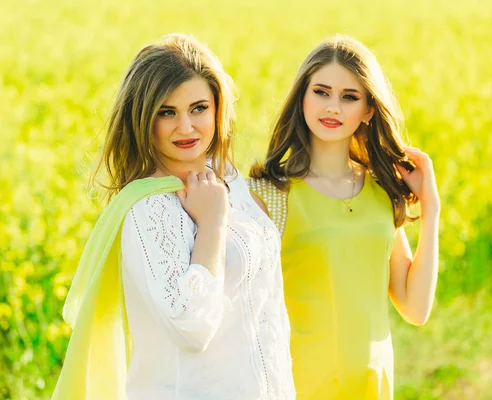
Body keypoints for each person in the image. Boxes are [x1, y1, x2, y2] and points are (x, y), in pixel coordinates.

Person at [52, 33, 295, 400]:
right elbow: (192, 325)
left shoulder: (227, 177)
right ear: (142, 119)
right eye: (167, 112)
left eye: (198, 108)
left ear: (217, 108)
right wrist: (212, 223)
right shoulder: (148, 208)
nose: (186, 127)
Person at [248, 34, 440, 399]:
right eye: (321, 92)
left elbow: (415, 309)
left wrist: (431, 209)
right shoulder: (269, 195)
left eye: (349, 97)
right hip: (297, 385)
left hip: (372, 385)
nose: (332, 107)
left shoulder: (382, 192)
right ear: (302, 96)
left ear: (368, 109)